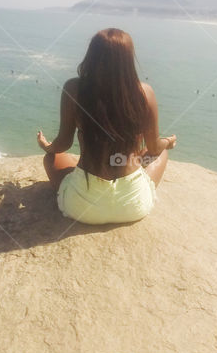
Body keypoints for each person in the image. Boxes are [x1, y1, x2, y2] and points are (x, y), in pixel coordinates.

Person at [38, 28, 177, 225]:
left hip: (82, 207)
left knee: (53, 157)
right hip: (132, 206)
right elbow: (154, 148)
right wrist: (168, 142)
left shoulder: (73, 89)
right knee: (159, 152)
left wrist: (47, 147)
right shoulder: (145, 92)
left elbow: (63, 144)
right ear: (128, 60)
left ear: (91, 56)